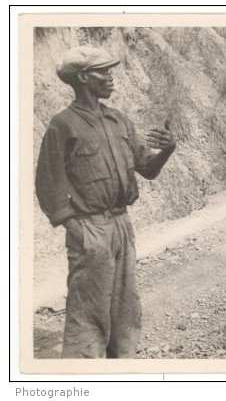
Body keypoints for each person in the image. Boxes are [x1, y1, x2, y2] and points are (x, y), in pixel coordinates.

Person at [35, 46, 176, 357]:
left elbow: (148, 169)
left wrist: (167, 150)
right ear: (84, 77)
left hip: (122, 225)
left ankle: (119, 370)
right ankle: (81, 373)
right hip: (90, 228)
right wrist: (76, 229)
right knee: (88, 310)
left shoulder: (119, 121)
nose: (112, 77)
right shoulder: (63, 125)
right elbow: (48, 184)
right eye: (104, 72)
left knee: (124, 306)